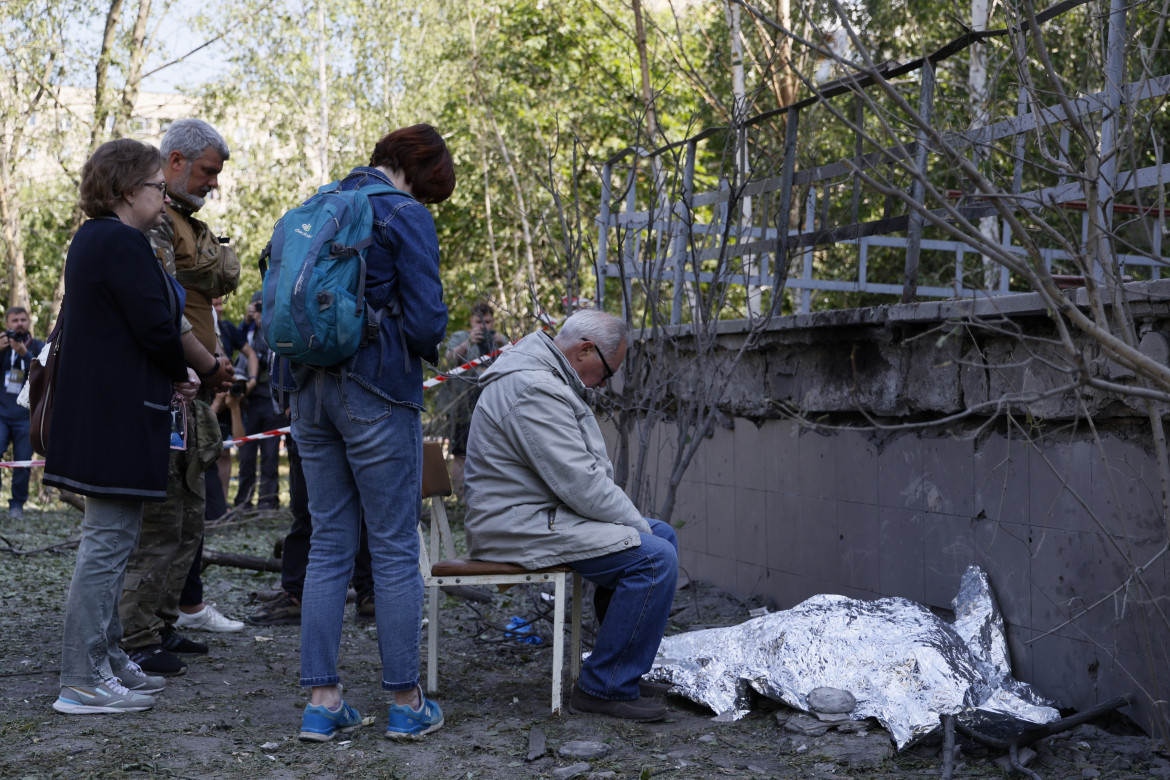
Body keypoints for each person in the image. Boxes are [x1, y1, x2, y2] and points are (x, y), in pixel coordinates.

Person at [281, 124, 453, 742]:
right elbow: (429, 320)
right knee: (394, 545)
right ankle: (407, 703)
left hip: (307, 392)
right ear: (423, 169)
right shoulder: (403, 214)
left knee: (329, 542)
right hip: (377, 392)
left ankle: (323, 702)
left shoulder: (319, 202)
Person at [463, 309, 678, 722]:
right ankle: (604, 686)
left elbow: (576, 483)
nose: (604, 383)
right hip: (515, 525)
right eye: (607, 372)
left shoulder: (542, 376)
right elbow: (580, 485)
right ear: (584, 350)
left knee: (661, 536)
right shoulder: (532, 386)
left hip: (538, 515)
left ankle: (621, 668)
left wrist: (632, 525)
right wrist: (631, 525)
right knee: (653, 557)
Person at [44, 139, 196, 714]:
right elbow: (156, 327)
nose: (164, 196)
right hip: (114, 421)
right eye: (158, 186)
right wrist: (180, 370)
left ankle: (104, 659)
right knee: (106, 547)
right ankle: (80, 678)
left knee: (117, 540)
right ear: (129, 189)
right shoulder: (120, 242)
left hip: (108, 417)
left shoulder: (96, 240)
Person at [118, 118, 237, 677]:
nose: (213, 182)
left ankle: (162, 623)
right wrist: (209, 366)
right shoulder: (153, 225)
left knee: (188, 517)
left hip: (184, 391)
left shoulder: (185, 225)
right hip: (160, 390)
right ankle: (136, 635)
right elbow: (164, 309)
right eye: (208, 171)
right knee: (161, 521)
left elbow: (217, 280)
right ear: (174, 163)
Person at [441, 301, 506, 498]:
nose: (483, 326)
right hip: (461, 405)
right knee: (460, 453)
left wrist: (504, 344)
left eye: (487, 321)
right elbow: (448, 360)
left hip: (493, 405)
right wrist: (469, 341)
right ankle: (461, 499)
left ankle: (487, 497)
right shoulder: (461, 336)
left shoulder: (498, 339)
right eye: (479, 322)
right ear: (471, 321)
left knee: (493, 453)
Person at [234, 291, 286, 511]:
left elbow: (267, 357)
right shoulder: (248, 331)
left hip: (271, 400)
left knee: (270, 455)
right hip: (249, 400)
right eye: (258, 307)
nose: (260, 312)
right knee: (246, 456)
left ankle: (267, 501)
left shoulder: (275, 328)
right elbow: (233, 343)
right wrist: (247, 321)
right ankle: (243, 502)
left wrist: (264, 322)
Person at [0, 306, 44, 520]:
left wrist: (24, 355)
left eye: (23, 320)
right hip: (1, 414)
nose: (19, 324)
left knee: (23, 462)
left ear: (28, 323)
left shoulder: (38, 347)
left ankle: (17, 504)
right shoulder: (2, 347)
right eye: (14, 320)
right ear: (7, 325)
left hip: (27, 416)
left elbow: (44, 374)